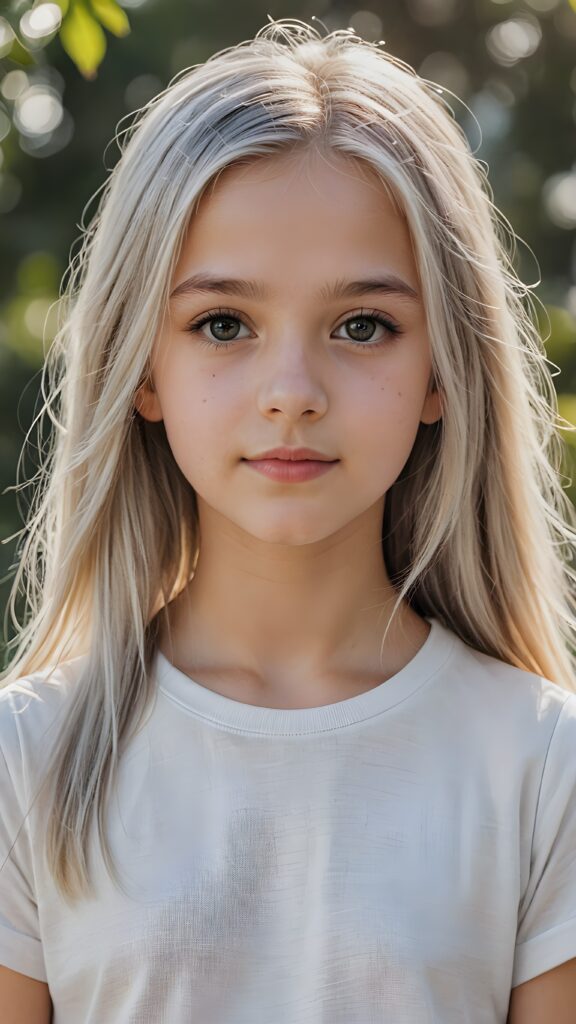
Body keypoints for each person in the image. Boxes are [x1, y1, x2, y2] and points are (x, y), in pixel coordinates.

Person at [1, 16, 575, 1024]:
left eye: (364, 326)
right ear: (143, 367)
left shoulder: (542, 766)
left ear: (441, 367)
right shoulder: (25, 760)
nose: (292, 391)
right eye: (223, 323)